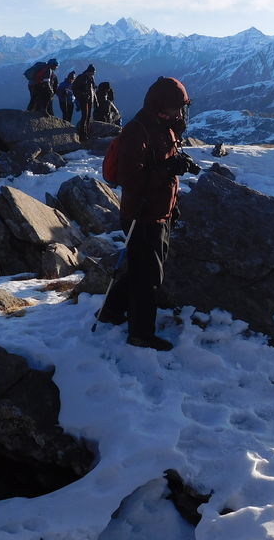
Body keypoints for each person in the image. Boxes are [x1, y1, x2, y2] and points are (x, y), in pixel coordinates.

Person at [96, 77, 194, 351]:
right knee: (148, 278)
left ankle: (111, 311)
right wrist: (167, 169)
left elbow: (159, 166)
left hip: (158, 211)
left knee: (141, 269)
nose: (180, 112)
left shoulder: (164, 127)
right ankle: (140, 334)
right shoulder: (138, 131)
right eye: (177, 107)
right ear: (162, 106)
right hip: (142, 215)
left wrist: (174, 164)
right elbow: (131, 178)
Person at [72, 64, 97, 141]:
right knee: (85, 116)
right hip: (83, 100)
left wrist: (96, 100)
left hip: (90, 99)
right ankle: (82, 134)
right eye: (92, 72)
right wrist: (81, 95)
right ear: (89, 72)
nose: (93, 74)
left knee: (88, 117)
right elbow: (74, 88)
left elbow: (93, 88)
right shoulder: (81, 77)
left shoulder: (91, 78)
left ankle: (86, 133)